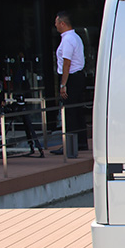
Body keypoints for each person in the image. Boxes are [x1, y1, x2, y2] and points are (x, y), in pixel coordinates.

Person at [53, 11, 89, 154]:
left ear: (62, 23)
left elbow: (66, 63)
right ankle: (81, 142)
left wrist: (63, 84)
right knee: (78, 111)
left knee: (70, 112)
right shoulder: (76, 37)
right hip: (78, 76)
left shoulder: (68, 39)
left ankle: (70, 146)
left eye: (56, 22)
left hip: (71, 78)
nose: (55, 25)